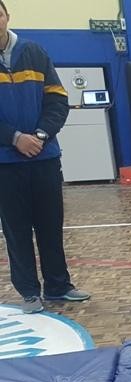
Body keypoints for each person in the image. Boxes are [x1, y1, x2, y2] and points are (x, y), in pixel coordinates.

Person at [0, 0, 89, 314]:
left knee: (51, 225)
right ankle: (29, 293)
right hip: (5, 164)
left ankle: (58, 285)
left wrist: (39, 136)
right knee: (17, 231)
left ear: (7, 16)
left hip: (44, 156)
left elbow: (58, 100)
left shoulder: (34, 52)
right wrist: (14, 138)